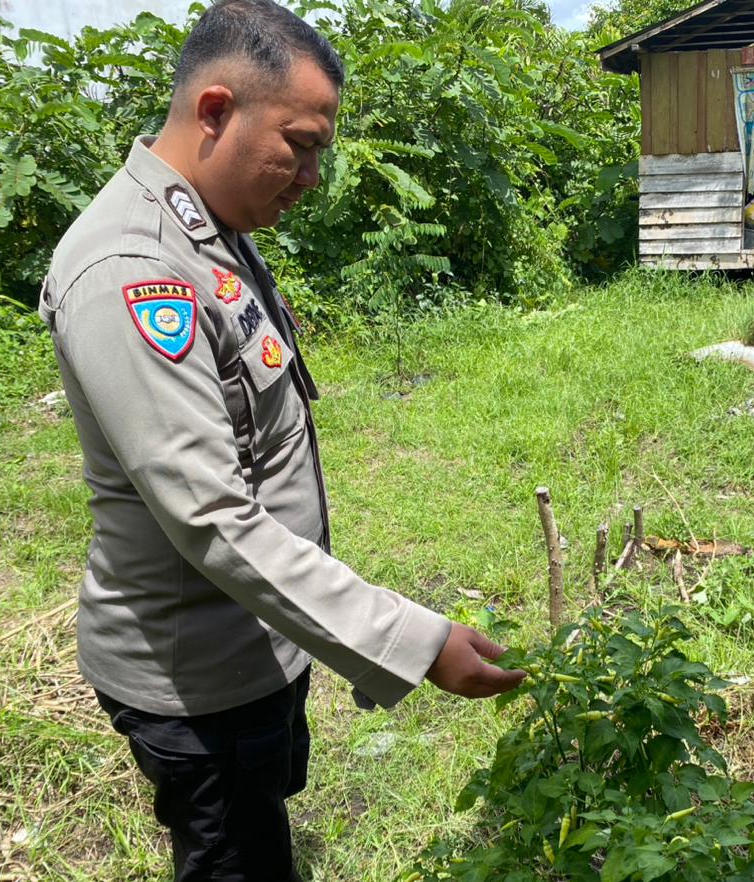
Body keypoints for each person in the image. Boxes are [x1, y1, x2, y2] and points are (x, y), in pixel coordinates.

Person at [37, 2, 524, 879]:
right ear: (215, 110)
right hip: (197, 680)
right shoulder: (133, 269)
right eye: (299, 146)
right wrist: (415, 642)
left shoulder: (209, 228)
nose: (310, 177)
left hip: (249, 642)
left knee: (260, 828)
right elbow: (213, 516)